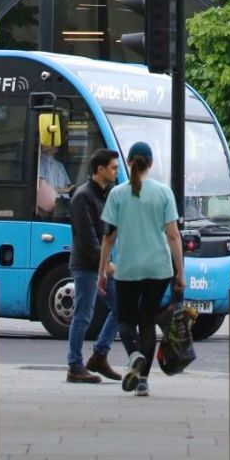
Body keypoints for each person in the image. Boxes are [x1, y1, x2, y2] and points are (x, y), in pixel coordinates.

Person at [97, 142, 185, 397]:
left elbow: (109, 238)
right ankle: (143, 381)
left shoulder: (117, 194)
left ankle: (134, 354)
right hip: (159, 268)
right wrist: (180, 272)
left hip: (127, 268)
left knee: (126, 321)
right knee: (147, 320)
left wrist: (102, 271)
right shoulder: (163, 193)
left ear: (128, 162)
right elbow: (173, 235)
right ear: (151, 163)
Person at [64, 148, 122, 383]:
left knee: (120, 307)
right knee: (83, 315)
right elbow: (88, 238)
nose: (116, 171)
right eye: (113, 167)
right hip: (87, 266)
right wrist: (105, 264)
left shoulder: (103, 194)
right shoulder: (83, 196)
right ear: (100, 169)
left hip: (98, 265)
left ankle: (99, 354)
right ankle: (75, 365)